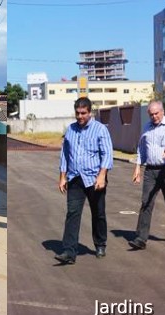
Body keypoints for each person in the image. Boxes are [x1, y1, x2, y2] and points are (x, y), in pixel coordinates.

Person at [55, 97, 114, 265]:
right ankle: (69, 251)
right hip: (75, 178)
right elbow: (65, 155)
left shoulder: (100, 129)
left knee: (98, 213)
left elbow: (107, 154)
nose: (80, 116)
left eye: (83, 113)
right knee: (72, 213)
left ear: (90, 112)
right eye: (77, 113)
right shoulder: (71, 130)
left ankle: (100, 244)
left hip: (95, 179)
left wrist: (102, 175)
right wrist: (62, 177)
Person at [129, 101, 165, 250]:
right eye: (151, 114)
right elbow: (142, 150)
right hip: (151, 171)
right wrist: (137, 168)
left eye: (156, 113)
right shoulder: (147, 128)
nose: (154, 117)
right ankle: (141, 238)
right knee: (146, 202)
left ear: (162, 111)